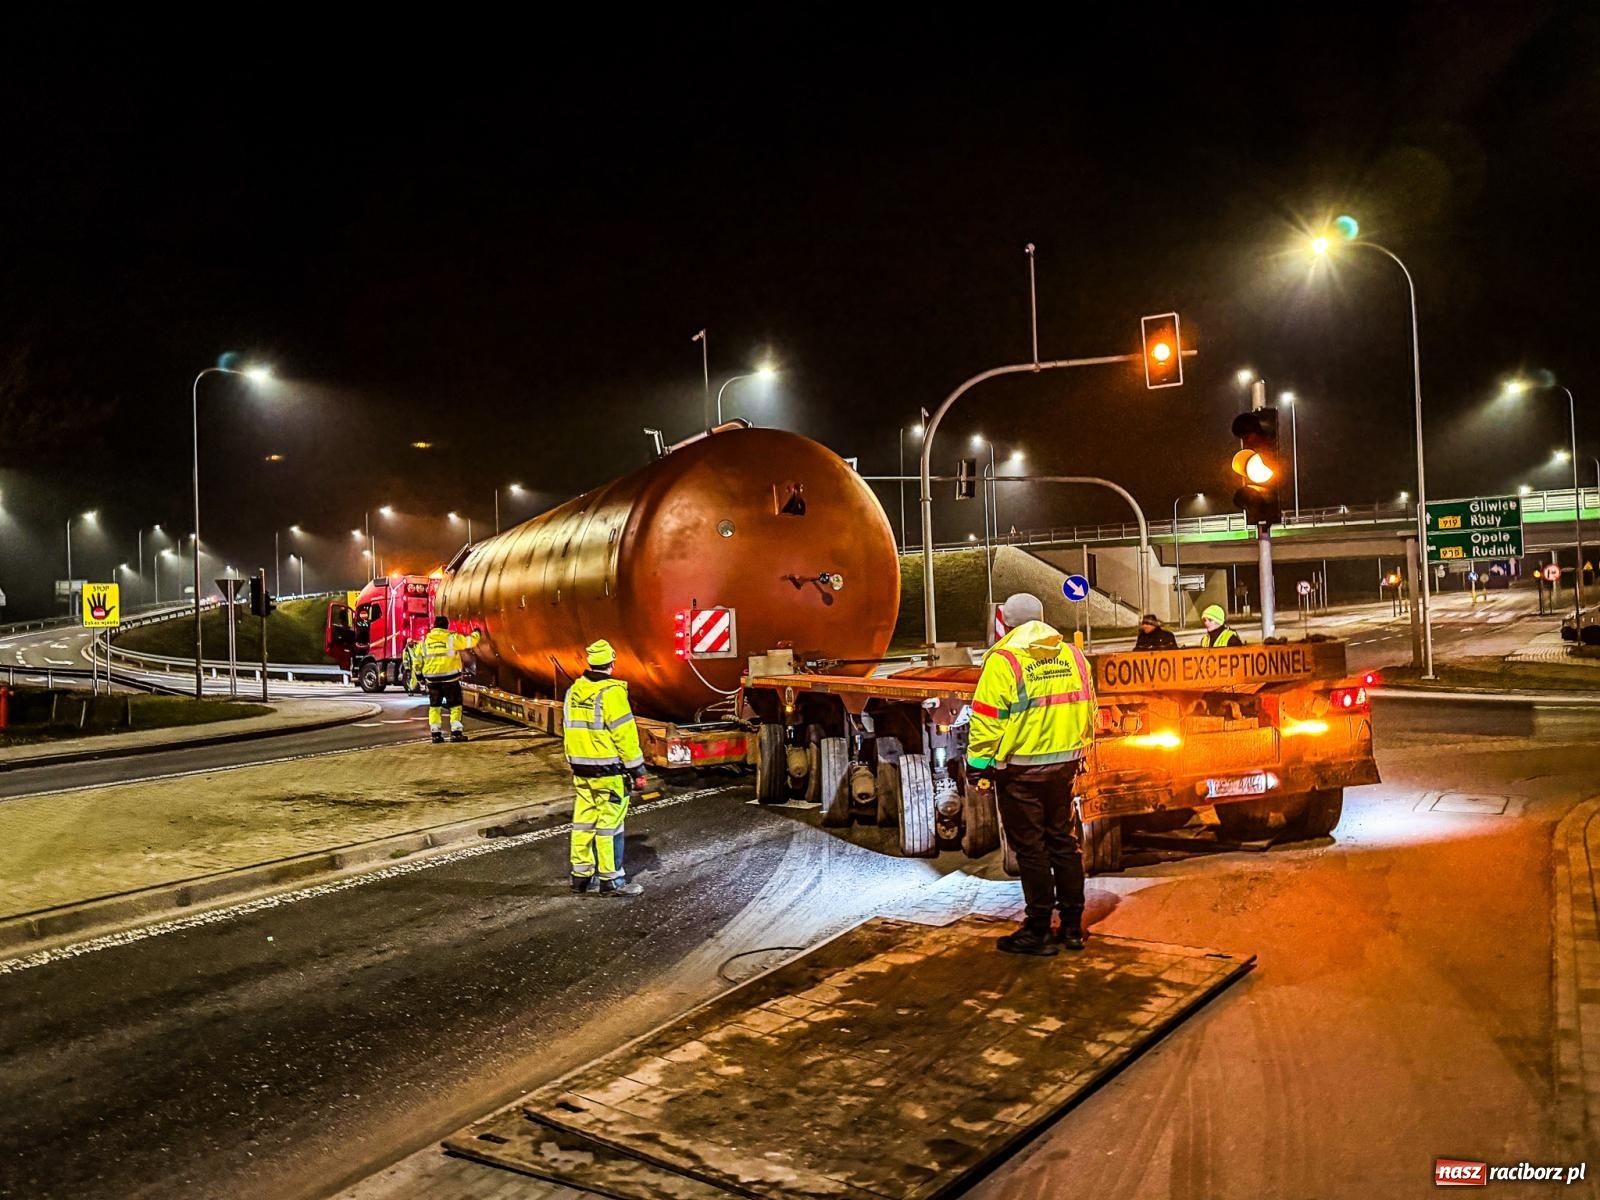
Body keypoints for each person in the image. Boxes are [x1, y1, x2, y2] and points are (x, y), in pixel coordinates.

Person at [967, 593, 1098, 956]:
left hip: (1022, 771)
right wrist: (1080, 752)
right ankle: (1072, 927)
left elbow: (987, 719)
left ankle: (1038, 930)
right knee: (1064, 843)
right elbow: (1089, 706)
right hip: (1065, 767)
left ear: (1006, 623)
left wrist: (977, 766)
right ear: (1042, 617)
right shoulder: (1072, 655)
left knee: (1032, 850)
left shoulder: (1005, 659)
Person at [563, 639, 648, 897]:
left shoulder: (574, 690)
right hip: (608, 771)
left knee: (583, 822)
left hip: (581, 770)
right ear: (612, 663)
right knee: (609, 825)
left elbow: (567, 729)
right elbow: (625, 734)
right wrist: (637, 769)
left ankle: (580, 876)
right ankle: (611, 880)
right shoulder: (611, 693)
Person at [420, 615, 481, 743]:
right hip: (450, 678)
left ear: (434, 626)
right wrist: (477, 633)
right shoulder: (451, 638)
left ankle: (435, 734)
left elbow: (418, 660)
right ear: (446, 626)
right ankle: (456, 733)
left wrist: (419, 676)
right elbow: (470, 642)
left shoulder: (425, 641)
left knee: (434, 706)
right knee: (455, 705)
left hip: (432, 679)